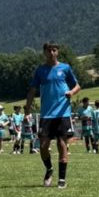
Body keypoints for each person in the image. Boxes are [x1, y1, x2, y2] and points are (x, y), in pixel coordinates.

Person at [25, 41, 80, 188]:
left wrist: (72, 92)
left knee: (62, 144)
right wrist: (27, 111)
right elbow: (32, 91)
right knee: (43, 146)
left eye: (54, 50)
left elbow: (77, 86)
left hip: (63, 113)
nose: (51, 53)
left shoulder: (65, 68)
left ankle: (62, 179)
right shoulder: (40, 70)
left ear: (58, 52)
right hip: (46, 114)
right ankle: (49, 169)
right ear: (44, 52)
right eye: (49, 50)